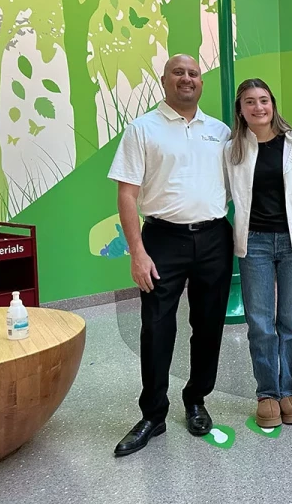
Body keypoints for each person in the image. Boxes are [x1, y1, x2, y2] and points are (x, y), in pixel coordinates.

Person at [108, 54, 234, 456]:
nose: (186, 78)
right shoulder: (142, 128)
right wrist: (137, 253)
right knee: (157, 327)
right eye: (178, 72)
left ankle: (196, 399)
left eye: (193, 73)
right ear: (164, 80)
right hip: (162, 239)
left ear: (201, 82)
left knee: (210, 324)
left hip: (214, 237)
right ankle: (153, 415)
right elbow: (126, 194)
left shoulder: (221, 131)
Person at [224, 78, 292, 428]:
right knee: (261, 323)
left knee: (291, 322)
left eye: (263, 100)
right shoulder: (233, 148)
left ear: (273, 104)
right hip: (255, 245)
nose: (258, 107)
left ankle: (287, 390)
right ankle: (267, 392)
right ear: (241, 110)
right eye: (249, 102)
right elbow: (220, 194)